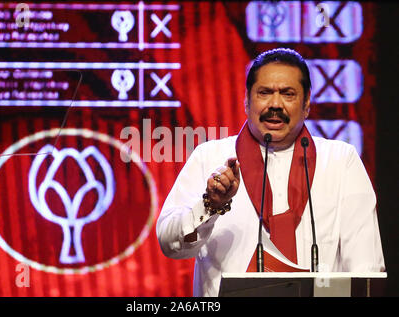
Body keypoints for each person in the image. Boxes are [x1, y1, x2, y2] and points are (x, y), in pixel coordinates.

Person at [156, 48, 385, 297]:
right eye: (265, 93)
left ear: (307, 102)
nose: (275, 104)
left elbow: (366, 268)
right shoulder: (209, 156)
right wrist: (210, 205)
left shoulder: (341, 161)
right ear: (246, 99)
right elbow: (170, 245)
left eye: (288, 94)